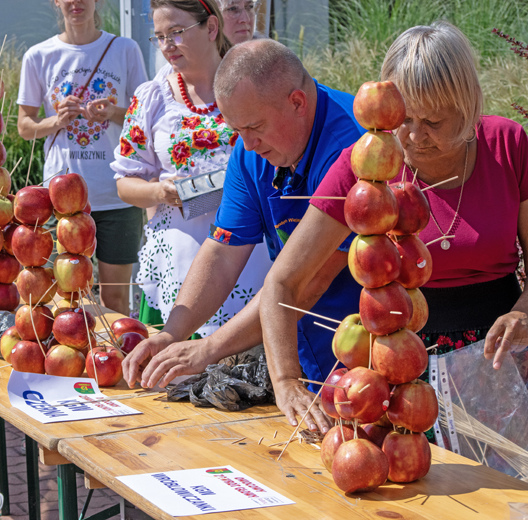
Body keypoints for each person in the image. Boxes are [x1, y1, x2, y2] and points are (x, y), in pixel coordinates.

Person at [260, 21, 528, 433]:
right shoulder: (364, 166)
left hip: (503, 364)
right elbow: (282, 284)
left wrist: (523, 314)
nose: (416, 137)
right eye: (403, 120)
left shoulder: (507, 145)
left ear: (468, 105)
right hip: (399, 372)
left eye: (435, 122)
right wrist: (285, 381)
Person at [123, 38, 367, 412]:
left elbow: (308, 282)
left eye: (254, 127)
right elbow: (221, 253)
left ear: (297, 102)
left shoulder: (352, 146)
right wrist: (173, 334)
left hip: (365, 359)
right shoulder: (251, 149)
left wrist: (209, 348)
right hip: (301, 351)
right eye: (237, 130)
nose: (247, 145)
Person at [113, 0, 272, 341]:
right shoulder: (152, 97)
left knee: (248, 380)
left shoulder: (253, 86)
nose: (167, 45)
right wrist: (160, 192)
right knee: (172, 375)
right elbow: (125, 183)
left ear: (211, 28)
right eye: (159, 36)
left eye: (176, 33)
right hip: (177, 264)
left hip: (250, 257)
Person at [17, 0, 147, 316]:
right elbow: (24, 126)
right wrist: (56, 122)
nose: (77, 2)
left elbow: (144, 116)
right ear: (56, 2)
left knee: (116, 303)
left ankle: (115, 363)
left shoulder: (125, 49)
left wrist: (113, 112)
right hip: (60, 203)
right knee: (67, 300)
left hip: (118, 197)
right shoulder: (38, 55)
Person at [153, 0, 260, 80]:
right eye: (232, 9)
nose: (245, 19)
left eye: (249, 7)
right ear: (211, 25)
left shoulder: (267, 64)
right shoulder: (166, 80)